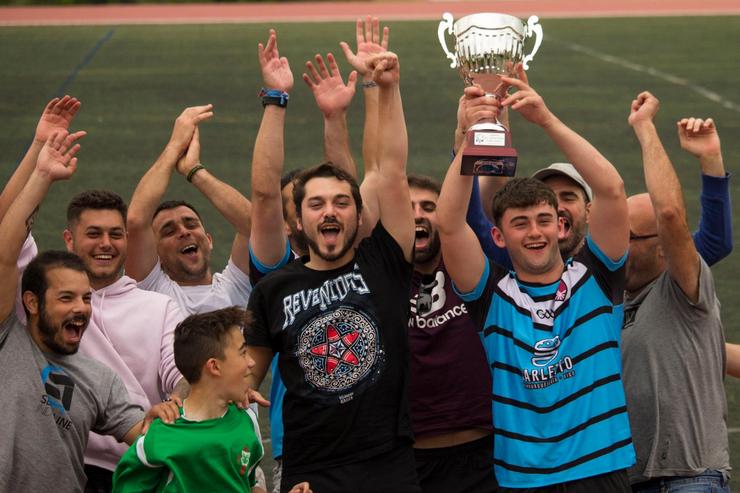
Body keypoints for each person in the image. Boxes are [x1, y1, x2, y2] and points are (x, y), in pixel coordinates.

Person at [436, 68, 634, 490]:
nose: (535, 232)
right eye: (520, 223)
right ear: (498, 236)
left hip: (601, 469)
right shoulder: (491, 297)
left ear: (561, 225)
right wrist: (469, 141)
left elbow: (613, 190)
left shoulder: (598, 277)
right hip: (524, 478)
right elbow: (449, 224)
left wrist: (546, 119)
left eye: (544, 219)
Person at [246, 49, 420, 492]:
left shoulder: (384, 261)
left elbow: (390, 171)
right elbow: (244, 373)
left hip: (388, 463)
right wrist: (183, 403)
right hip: (309, 476)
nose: (330, 211)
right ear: (297, 221)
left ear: (358, 215)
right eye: (316, 204)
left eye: (342, 202)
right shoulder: (274, 288)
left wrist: (389, 87)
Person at [0, 129, 177, 492]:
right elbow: (6, 246)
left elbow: (145, 432)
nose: (82, 308)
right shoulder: (11, 336)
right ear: (30, 302)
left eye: (85, 299)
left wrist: (181, 412)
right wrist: (41, 172)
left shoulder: (100, 378)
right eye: (67, 298)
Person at [622, 92, 730, 492]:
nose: (613, 244)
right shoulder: (612, 295)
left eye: (627, 236)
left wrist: (645, 127)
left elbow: (670, 214)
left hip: (688, 480)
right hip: (629, 481)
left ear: (664, 245)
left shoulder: (683, 288)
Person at [62, 190, 187, 491]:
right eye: (94, 233)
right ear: (69, 240)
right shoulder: (48, 305)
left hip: (138, 467)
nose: (106, 243)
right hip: (64, 464)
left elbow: (182, 371)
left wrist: (177, 401)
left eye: (116, 234)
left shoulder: (160, 307)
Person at [112, 307, 312, 493]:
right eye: (243, 353)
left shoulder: (247, 421)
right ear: (214, 367)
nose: (251, 362)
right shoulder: (162, 435)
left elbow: (246, 486)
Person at [406, 174, 497, 493]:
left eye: (429, 206)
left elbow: (484, 201)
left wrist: (468, 143)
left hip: (489, 455)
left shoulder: (474, 267)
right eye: (408, 207)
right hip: (412, 463)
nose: (417, 214)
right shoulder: (380, 278)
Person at [125, 105, 252, 315]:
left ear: (209, 240)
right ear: (154, 254)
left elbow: (254, 226)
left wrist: (194, 170)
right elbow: (137, 221)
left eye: (191, 223)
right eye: (168, 231)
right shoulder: (150, 290)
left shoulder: (236, 285)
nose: (184, 232)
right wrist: (175, 145)